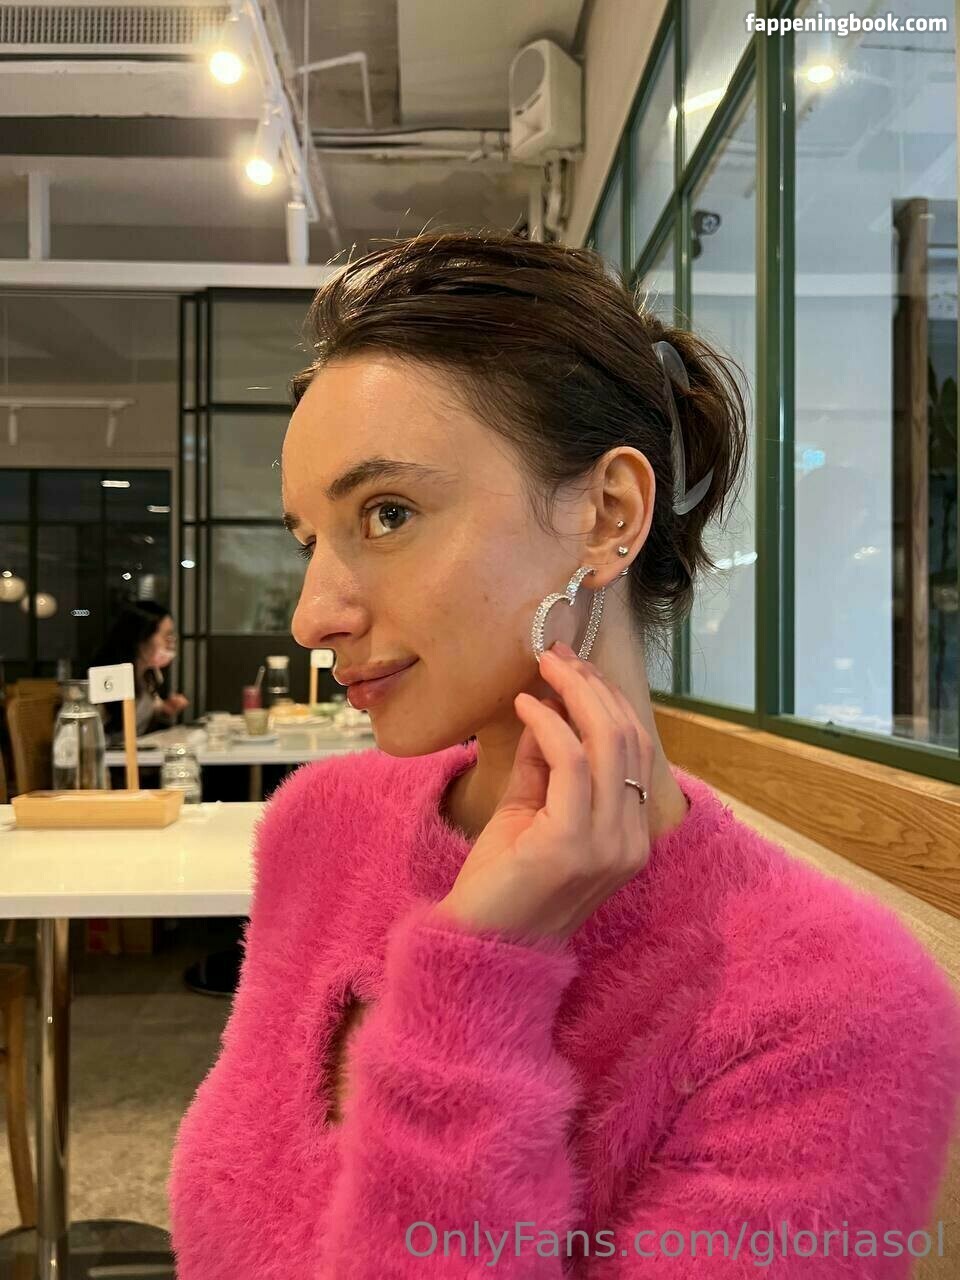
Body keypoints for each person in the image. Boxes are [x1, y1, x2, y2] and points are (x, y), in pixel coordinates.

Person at [168, 231, 960, 1278]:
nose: (313, 615)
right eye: (310, 539)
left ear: (608, 514)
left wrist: (477, 981)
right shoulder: (326, 825)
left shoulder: (837, 1009)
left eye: (388, 513)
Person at [90, 600, 188, 743]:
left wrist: (166, 708)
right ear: (141, 638)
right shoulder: (108, 676)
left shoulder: (151, 675)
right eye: (166, 637)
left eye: (172, 637)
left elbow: (148, 711)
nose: (171, 643)